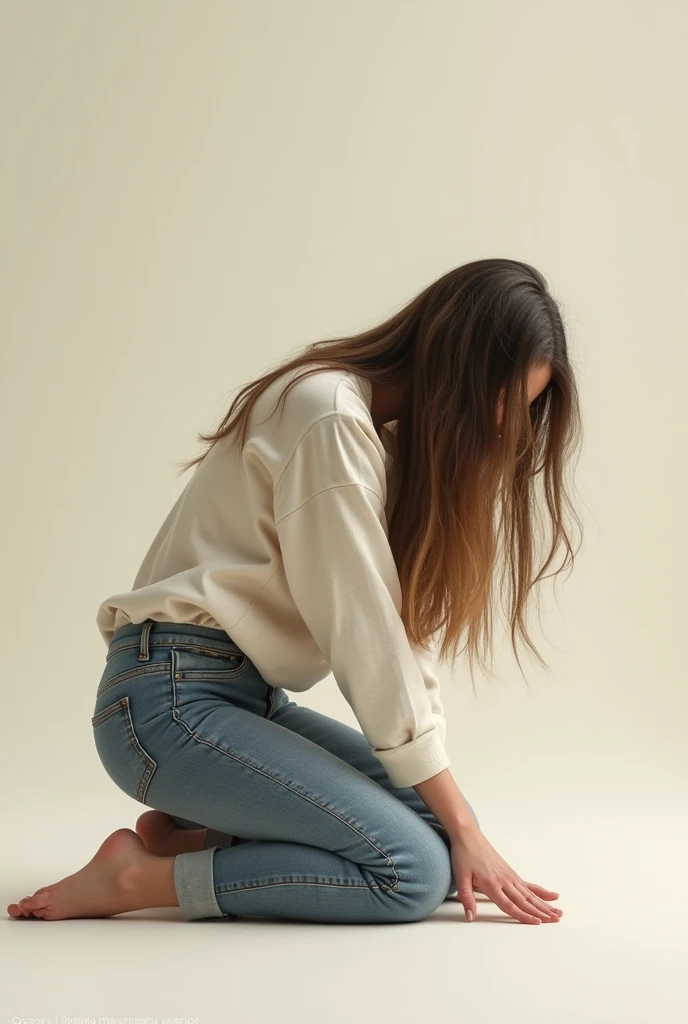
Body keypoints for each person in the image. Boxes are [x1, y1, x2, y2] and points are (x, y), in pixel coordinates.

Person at [8, 257, 582, 926]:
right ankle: (138, 879)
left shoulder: (382, 443)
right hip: (166, 705)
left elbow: (397, 640)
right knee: (414, 871)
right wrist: (462, 828)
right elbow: (364, 640)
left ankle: (187, 838)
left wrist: (461, 822)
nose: (501, 425)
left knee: (443, 832)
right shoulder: (330, 417)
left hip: (241, 701)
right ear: (457, 360)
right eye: (505, 398)